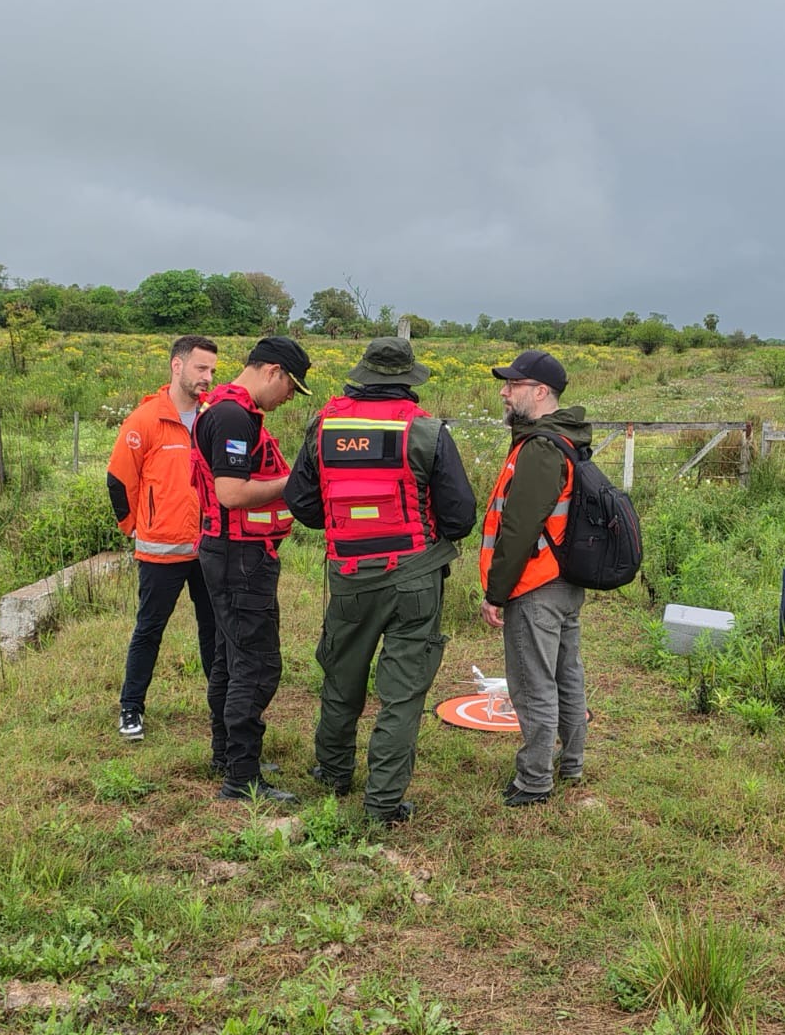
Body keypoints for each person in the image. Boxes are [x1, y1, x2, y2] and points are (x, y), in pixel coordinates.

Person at [285, 337, 477, 826]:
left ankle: (332, 772)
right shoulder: (428, 432)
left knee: (341, 677)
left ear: (361, 376)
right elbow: (459, 519)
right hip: (414, 577)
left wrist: (350, 528)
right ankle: (383, 804)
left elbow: (302, 503)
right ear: (407, 382)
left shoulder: (323, 425)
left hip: (348, 577)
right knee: (402, 693)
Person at [192, 336, 312, 803]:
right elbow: (232, 493)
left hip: (229, 551)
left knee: (229, 657)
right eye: (290, 388)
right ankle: (242, 779)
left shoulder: (223, 409)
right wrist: (295, 480)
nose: (287, 399)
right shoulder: (232, 416)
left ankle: (228, 757)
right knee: (258, 665)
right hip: (240, 555)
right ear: (273, 372)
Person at [477, 350, 591, 808]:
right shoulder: (564, 437)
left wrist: (496, 592)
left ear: (540, 392)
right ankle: (571, 763)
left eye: (513, 385)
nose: (505, 392)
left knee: (533, 683)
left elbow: (519, 528)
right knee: (566, 674)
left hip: (536, 584)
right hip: (563, 581)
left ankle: (534, 781)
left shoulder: (541, 447)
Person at [106, 335, 223, 751]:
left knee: (215, 631)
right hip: (161, 549)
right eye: (200, 368)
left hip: (209, 546)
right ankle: (131, 707)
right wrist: (134, 526)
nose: (208, 377)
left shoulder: (214, 416)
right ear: (177, 366)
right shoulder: (145, 419)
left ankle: (221, 709)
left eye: (212, 370)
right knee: (149, 630)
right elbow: (120, 479)